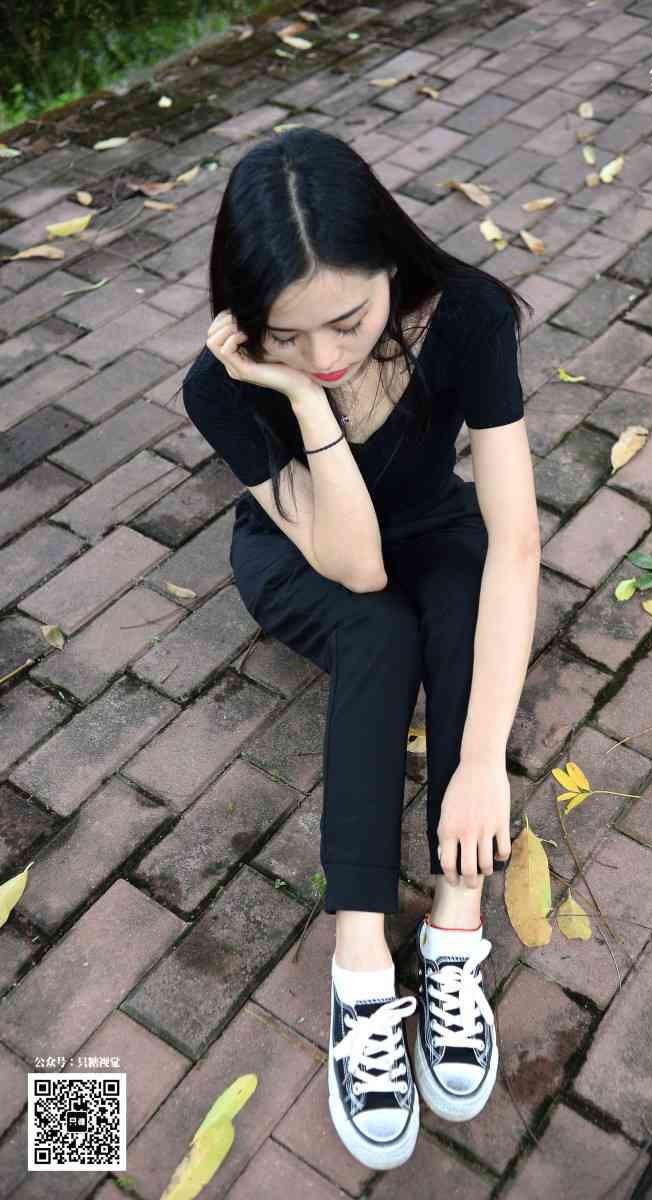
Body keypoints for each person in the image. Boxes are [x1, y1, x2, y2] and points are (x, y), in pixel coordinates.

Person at [182, 128, 540, 1171]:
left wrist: (482, 764)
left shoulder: (466, 314)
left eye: (346, 320)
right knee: (380, 629)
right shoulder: (224, 386)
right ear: (247, 323)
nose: (324, 352)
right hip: (305, 552)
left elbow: (518, 538)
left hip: (429, 522)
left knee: (468, 587)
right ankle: (360, 968)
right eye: (286, 336)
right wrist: (304, 399)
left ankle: (454, 933)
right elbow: (355, 565)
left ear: (390, 259)